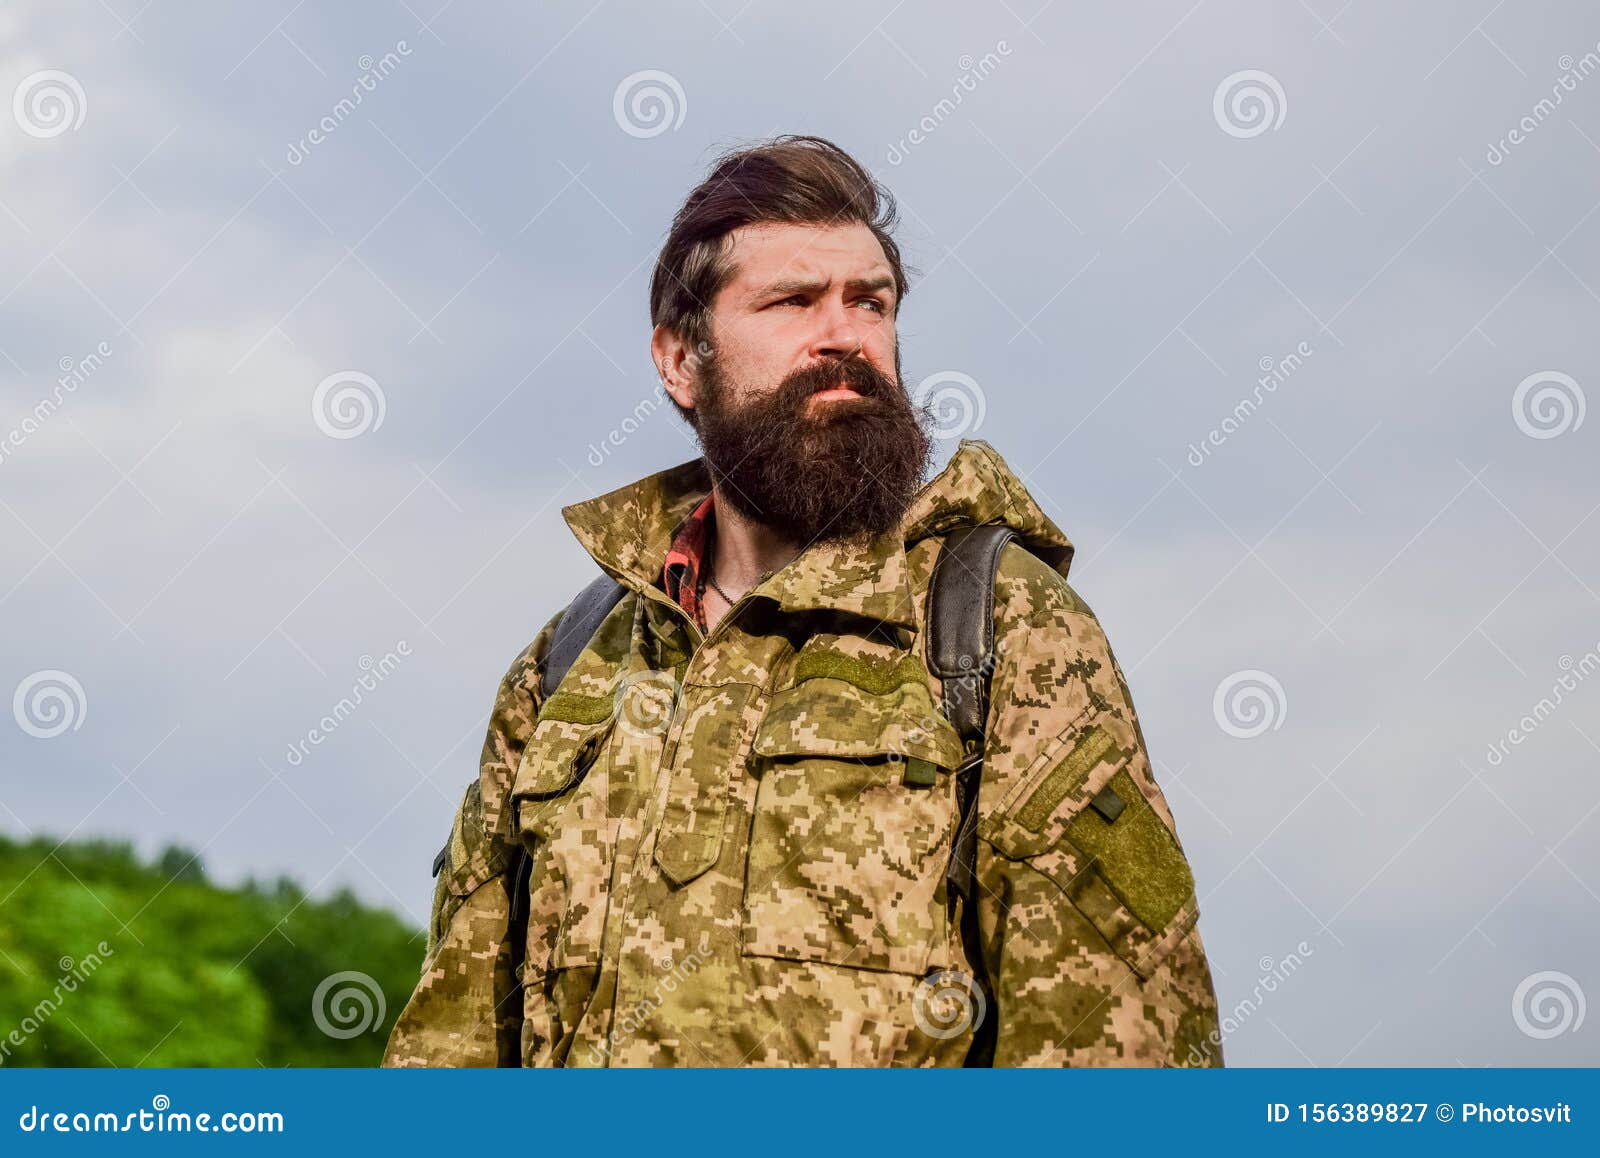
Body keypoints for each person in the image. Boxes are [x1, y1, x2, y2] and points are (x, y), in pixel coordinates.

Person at [383, 135, 1222, 1067]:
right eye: (792, 301)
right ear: (678, 361)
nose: (846, 336)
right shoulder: (569, 664)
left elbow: (1117, 1059)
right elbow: (449, 1050)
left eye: (872, 302)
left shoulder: (999, 625)